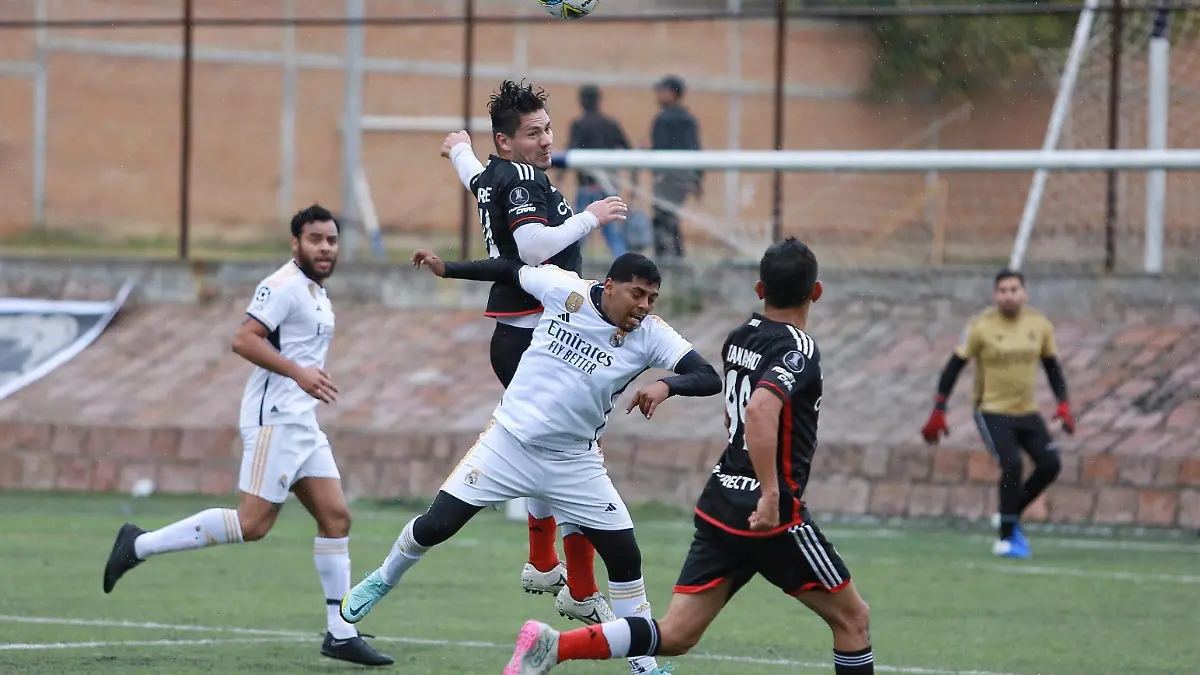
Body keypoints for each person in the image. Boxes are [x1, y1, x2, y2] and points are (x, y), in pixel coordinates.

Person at [503, 238, 875, 675]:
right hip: (770, 511)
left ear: (759, 290)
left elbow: (737, 414)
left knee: (677, 634)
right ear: (816, 292)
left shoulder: (740, 337)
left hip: (721, 502)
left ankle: (554, 646)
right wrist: (772, 493)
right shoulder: (799, 349)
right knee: (853, 620)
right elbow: (759, 410)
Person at [342, 253, 722, 675]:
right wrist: (447, 269)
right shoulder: (565, 290)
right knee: (436, 526)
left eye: (652, 298)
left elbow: (708, 376)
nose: (645, 306)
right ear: (610, 285)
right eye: (637, 294)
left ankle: (643, 663)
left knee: (625, 556)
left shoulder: (651, 335)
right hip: (508, 444)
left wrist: (668, 384)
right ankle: (382, 578)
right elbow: (507, 270)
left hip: (575, 463)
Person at [101, 205, 393, 667]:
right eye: (315, 239)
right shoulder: (281, 287)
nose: (324, 247)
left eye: (331, 240)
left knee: (336, 518)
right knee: (252, 525)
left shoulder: (317, 293)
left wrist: (305, 376)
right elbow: (244, 339)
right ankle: (138, 544)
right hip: (274, 419)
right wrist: (298, 373)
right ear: (295, 243)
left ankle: (340, 632)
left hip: (302, 423)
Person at [438, 79, 628, 626]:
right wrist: (592, 216)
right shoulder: (522, 177)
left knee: (557, 453)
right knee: (572, 456)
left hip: (523, 334)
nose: (546, 141)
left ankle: (546, 565)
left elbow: (475, 180)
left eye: (547, 128)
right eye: (532, 133)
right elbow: (531, 249)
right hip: (530, 333)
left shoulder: (501, 173)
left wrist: (458, 151)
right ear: (507, 143)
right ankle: (577, 586)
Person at [921, 269, 1073, 559]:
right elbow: (954, 366)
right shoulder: (981, 326)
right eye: (1003, 290)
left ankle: (1009, 513)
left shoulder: (1039, 325)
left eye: (1014, 289)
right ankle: (1006, 536)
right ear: (995, 295)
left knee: (1050, 463)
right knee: (1012, 463)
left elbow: (1052, 366)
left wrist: (1063, 402)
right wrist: (940, 407)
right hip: (991, 410)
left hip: (1026, 410)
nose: (1009, 295)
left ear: (1024, 293)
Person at [567, 84, 633, 257]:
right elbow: (628, 149)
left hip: (586, 186)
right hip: (608, 187)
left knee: (579, 232)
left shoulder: (579, 125)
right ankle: (624, 267)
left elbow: (571, 152)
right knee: (613, 234)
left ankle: (570, 267)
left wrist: (559, 176)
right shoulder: (611, 124)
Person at [648, 75, 702, 259]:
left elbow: (659, 148)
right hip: (684, 175)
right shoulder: (688, 118)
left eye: (662, 90)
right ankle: (675, 256)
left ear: (672, 93)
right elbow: (695, 147)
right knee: (669, 216)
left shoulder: (664, 119)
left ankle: (668, 257)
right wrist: (697, 179)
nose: (658, 94)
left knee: (663, 217)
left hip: (668, 175)